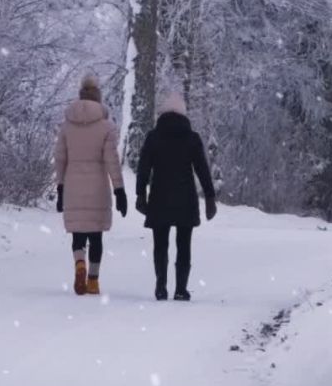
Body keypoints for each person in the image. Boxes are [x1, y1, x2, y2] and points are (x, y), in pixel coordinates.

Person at [135, 93, 216, 301]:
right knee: (184, 245)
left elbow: (143, 168)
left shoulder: (153, 137)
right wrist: (209, 197)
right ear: (183, 114)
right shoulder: (192, 138)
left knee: (160, 245)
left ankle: (161, 286)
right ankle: (181, 289)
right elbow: (202, 170)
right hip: (185, 199)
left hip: (160, 197)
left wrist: (140, 194)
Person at [54, 75, 127, 296]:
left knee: (78, 234)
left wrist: (60, 186)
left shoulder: (67, 126)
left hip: (73, 185)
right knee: (96, 236)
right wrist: (119, 189)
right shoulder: (106, 127)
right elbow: (111, 160)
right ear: (98, 99)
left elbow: (60, 158)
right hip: (97, 186)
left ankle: (79, 264)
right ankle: (93, 280)